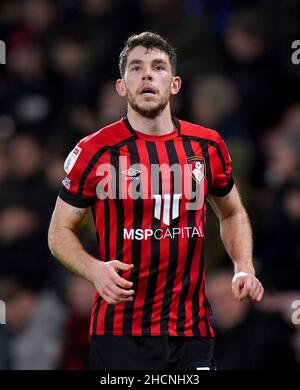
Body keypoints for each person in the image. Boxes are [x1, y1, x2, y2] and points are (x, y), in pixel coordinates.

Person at [48, 31, 264, 370]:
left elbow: (232, 211)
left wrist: (243, 267)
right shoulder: (94, 151)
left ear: (175, 85)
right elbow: (59, 230)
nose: (147, 74)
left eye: (158, 67)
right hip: (119, 332)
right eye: (135, 68)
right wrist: (94, 270)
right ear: (122, 87)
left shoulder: (207, 146)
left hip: (190, 330)